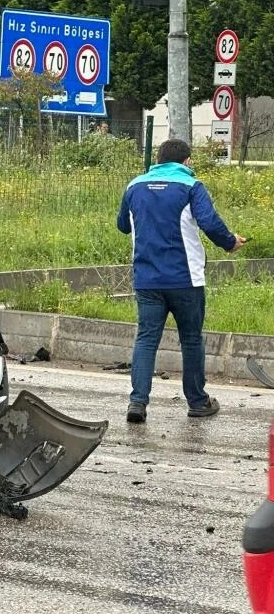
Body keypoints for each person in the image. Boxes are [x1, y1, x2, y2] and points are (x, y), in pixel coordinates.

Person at [117, 138, 246, 423]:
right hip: (185, 279)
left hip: (147, 279)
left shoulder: (134, 186)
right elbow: (210, 222)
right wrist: (230, 242)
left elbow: (123, 226)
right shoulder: (191, 186)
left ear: (159, 161)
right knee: (191, 339)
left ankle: (137, 403)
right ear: (186, 162)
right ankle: (198, 402)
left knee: (147, 338)